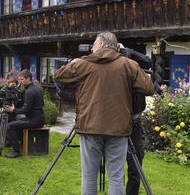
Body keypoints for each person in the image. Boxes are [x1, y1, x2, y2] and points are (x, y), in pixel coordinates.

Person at [54, 32, 154, 195]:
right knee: (116, 177)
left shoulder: (84, 63)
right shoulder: (128, 65)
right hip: (118, 129)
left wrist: (77, 63)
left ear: (101, 44)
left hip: (90, 127)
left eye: (94, 43)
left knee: (89, 177)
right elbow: (148, 88)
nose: (92, 47)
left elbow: (59, 75)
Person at [118, 44, 152, 195]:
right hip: (117, 122)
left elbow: (148, 62)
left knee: (136, 162)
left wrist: (128, 51)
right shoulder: (113, 67)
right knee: (117, 164)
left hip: (135, 122)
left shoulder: (136, 70)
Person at [4, 69, 45, 158]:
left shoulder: (29, 91)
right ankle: (23, 143)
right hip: (38, 118)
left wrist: (13, 110)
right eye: (19, 79)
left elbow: (26, 110)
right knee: (17, 120)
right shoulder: (36, 88)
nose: (20, 82)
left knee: (10, 126)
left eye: (22, 79)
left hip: (35, 120)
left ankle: (16, 151)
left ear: (28, 79)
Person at [0, 76, 24, 148]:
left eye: (14, 84)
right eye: (11, 83)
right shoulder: (2, 91)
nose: (12, 85)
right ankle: (3, 140)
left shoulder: (19, 92)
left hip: (16, 112)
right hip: (4, 112)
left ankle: (17, 140)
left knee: (18, 121)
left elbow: (22, 106)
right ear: (8, 83)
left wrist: (15, 108)